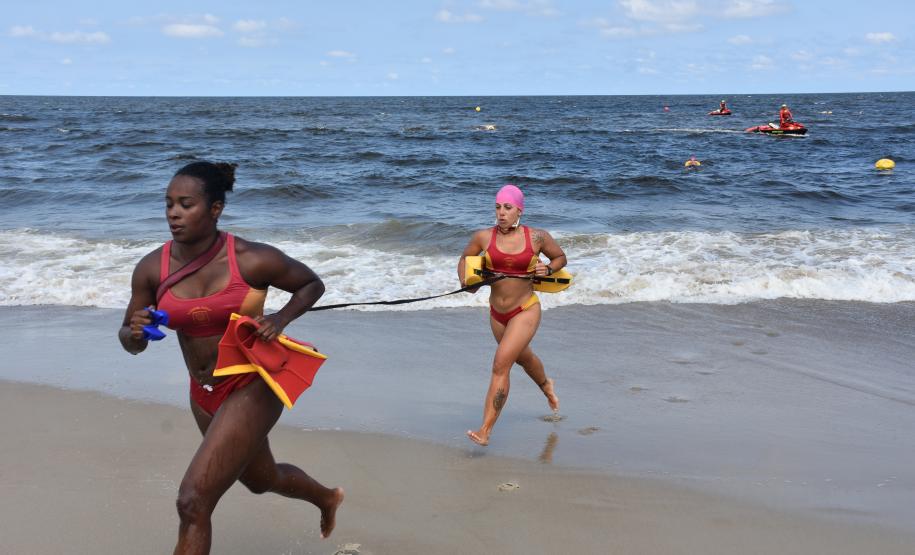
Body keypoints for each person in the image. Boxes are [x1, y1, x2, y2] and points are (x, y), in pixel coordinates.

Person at [119, 161, 344, 554]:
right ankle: (327, 498)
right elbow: (130, 341)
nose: (173, 213)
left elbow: (311, 284)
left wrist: (280, 318)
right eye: (168, 204)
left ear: (215, 209)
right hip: (203, 391)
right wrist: (135, 332)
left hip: (252, 384)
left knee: (193, 501)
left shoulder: (251, 258)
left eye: (185, 204)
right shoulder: (152, 268)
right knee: (260, 479)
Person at [458, 184, 566, 446]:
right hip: (497, 313)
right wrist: (466, 282)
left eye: (508, 207)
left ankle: (485, 430)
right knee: (523, 358)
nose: (501, 212)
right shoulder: (484, 237)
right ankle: (546, 385)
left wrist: (548, 269)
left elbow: (560, 257)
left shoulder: (537, 237)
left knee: (500, 365)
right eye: (498, 207)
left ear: (519, 210)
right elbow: (465, 258)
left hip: (525, 309)